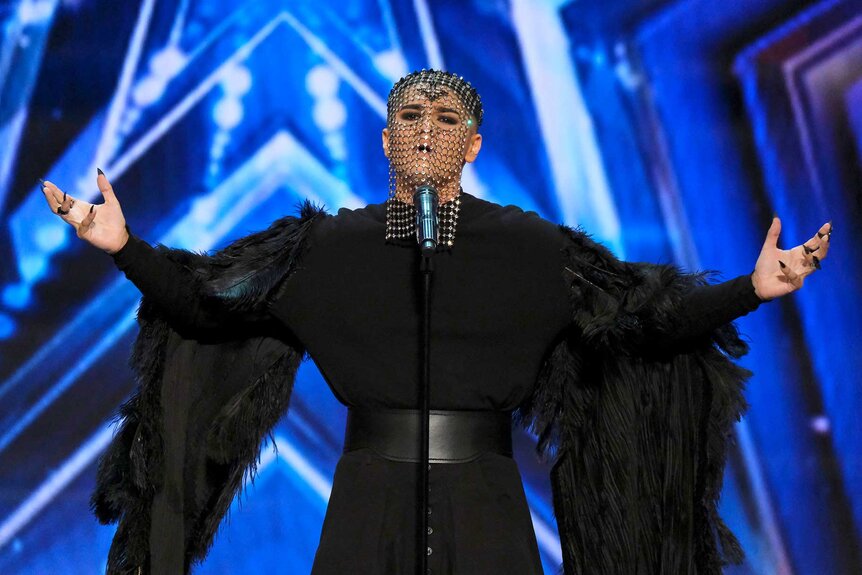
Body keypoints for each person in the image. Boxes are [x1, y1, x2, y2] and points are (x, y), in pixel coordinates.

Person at [41, 69, 831, 575]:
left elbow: (641, 320)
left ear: (474, 143)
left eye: (447, 116)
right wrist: (125, 247)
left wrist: (749, 290)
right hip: (365, 501)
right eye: (411, 114)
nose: (427, 126)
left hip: (485, 504)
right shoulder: (326, 247)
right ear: (385, 139)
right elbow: (207, 307)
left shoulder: (529, 246)